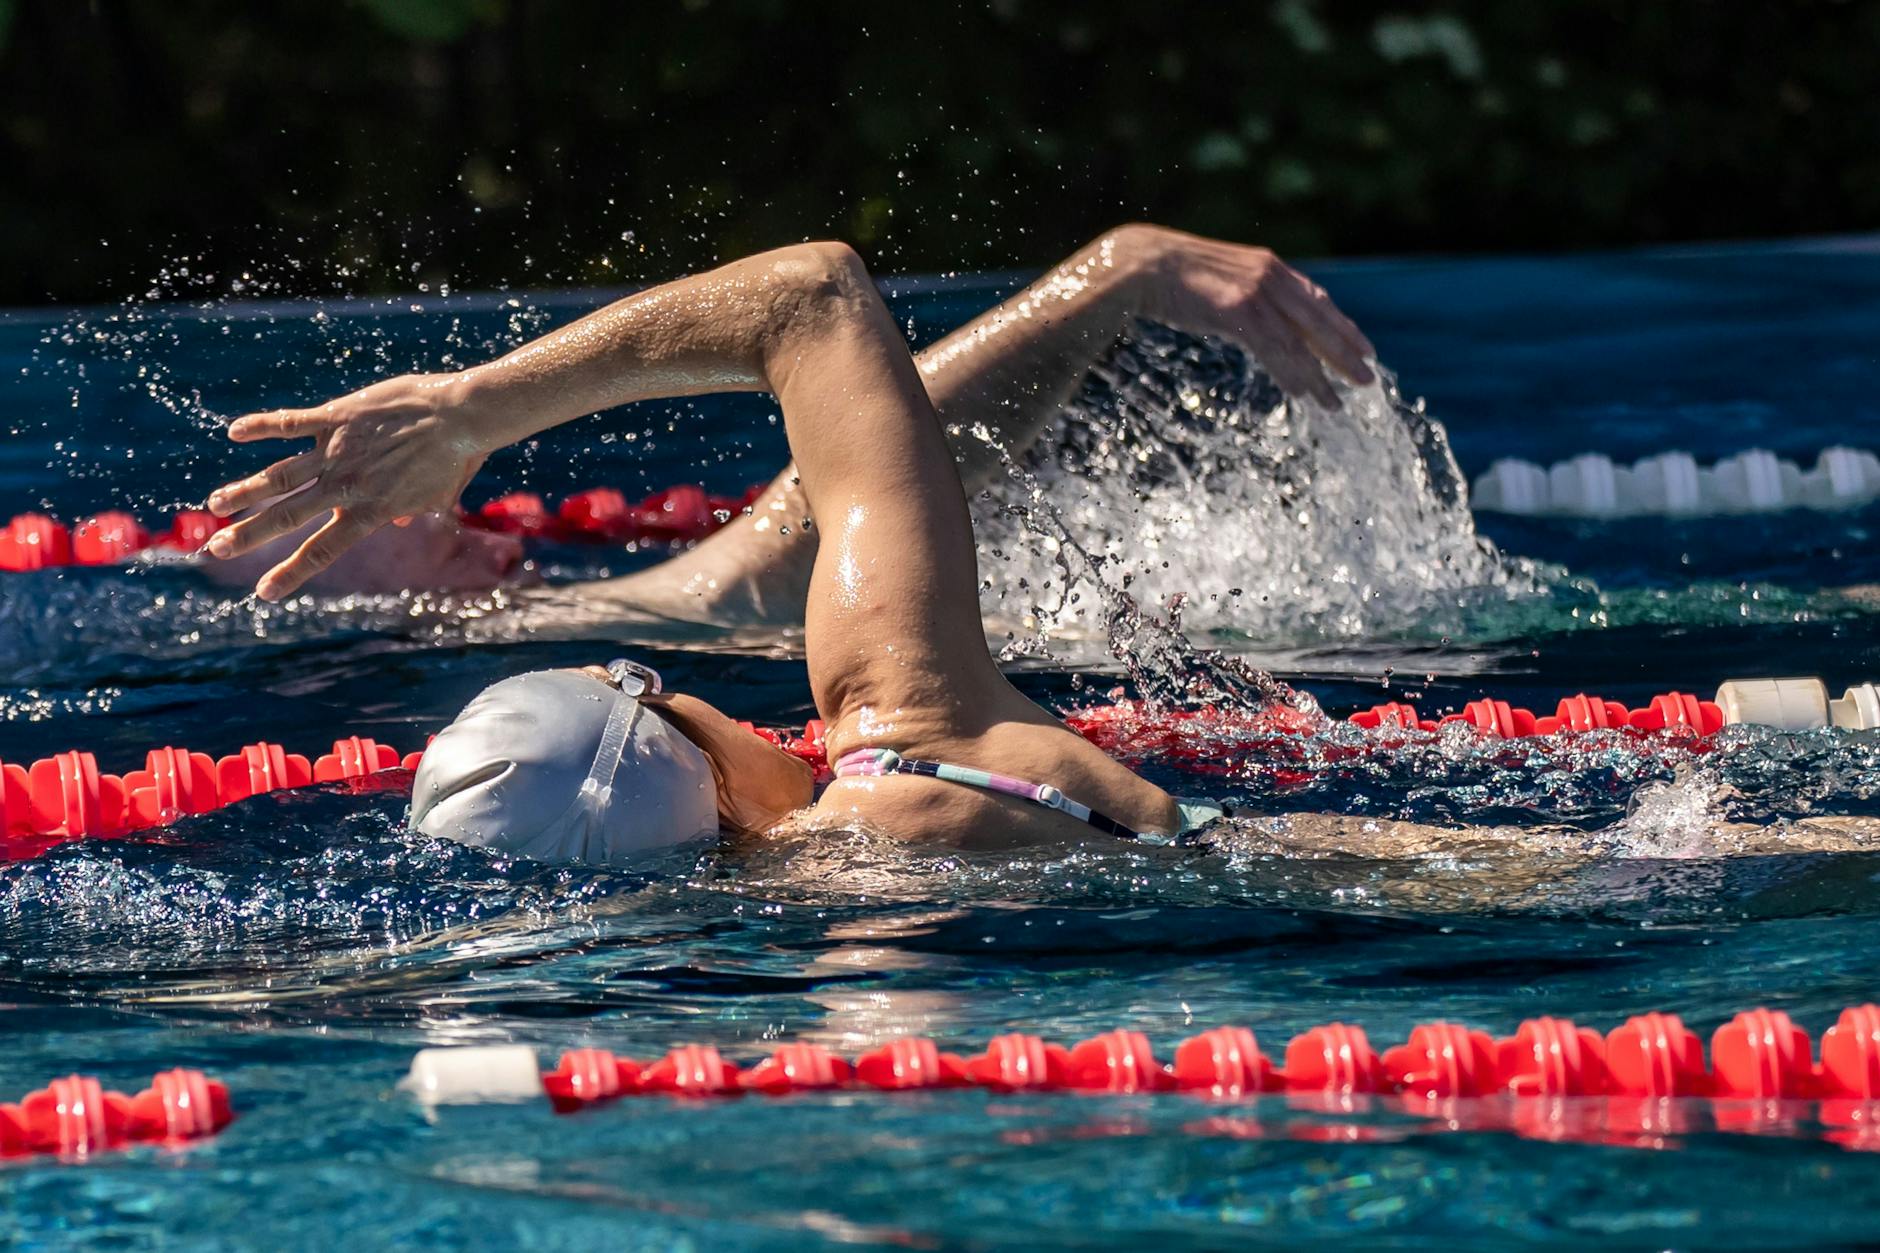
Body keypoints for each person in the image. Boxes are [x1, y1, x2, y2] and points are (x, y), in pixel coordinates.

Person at [203, 226, 1375, 857]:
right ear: (689, 757)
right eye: (637, 684)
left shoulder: (827, 905)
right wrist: (469, 411)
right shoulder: (910, 729)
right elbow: (810, 298)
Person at [202, 224, 1374, 623]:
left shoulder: (548, 624)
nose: (456, 520)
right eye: (362, 514)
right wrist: (1111, 279)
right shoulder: (528, 636)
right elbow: (797, 507)